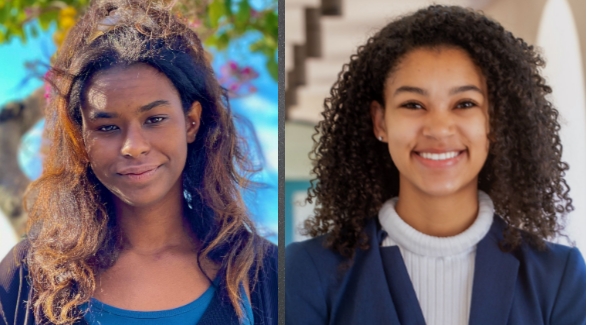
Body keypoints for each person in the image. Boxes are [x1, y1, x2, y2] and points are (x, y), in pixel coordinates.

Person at [286, 5, 585, 325]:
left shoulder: (558, 276)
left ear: (494, 121)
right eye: (413, 104)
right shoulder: (305, 271)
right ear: (380, 121)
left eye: (465, 104)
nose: (439, 129)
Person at [0, 1, 277, 324]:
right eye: (107, 127)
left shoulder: (262, 273)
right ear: (81, 138)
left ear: (191, 122)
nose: (133, 146)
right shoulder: (29, 276)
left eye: (155, 119)